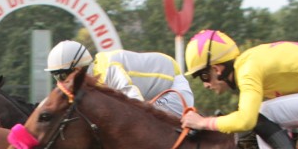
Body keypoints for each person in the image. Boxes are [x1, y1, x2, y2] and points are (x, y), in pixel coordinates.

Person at [45, 40, 194, 117]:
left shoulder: (109, 69)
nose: (59, 82)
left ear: (77, 70)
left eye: (61, 76)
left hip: (173, 86)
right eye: (55, 76)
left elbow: (136, 105)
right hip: (152, 94)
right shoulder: (91, 80)